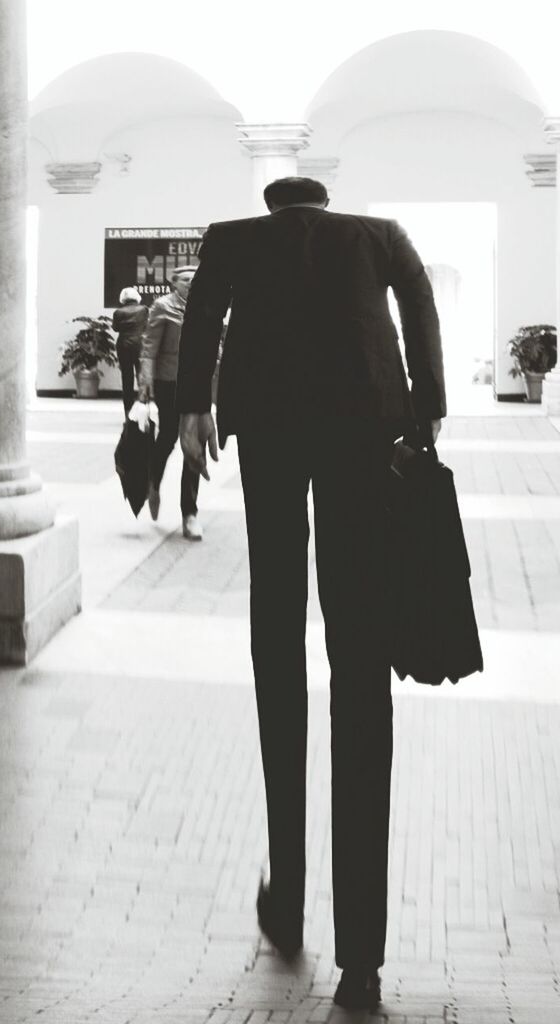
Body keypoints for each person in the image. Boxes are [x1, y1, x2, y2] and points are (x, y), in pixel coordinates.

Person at [175, 177, 445, 1012]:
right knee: (358, 665)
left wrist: (193, 407)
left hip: (271, 426)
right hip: (366, 425)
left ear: (274, 202)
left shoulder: (234, 238)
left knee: (276, 639)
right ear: (322, 204)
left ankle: (287, 903)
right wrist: (427, 405)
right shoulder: (377, 234)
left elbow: (204, 316)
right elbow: (420, 303)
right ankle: (361, 958)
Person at [139, 265, 203, 540]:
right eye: (186, 280)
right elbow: (149, 346)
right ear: (174, 283)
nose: (191, 284)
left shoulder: (205, 305)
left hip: (197, 383)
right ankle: (153, 484)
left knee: (194, 445)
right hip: (168, 383)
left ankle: (190, 513)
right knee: (167, 438)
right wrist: (145, 382)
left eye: (195, 280)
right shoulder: (162, 307)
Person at [112, 286, 149, 415]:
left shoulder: (118, 312)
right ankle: (143, 409)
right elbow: (147, 325)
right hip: (141, 345)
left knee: (126, 379)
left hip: (124, 346)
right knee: (142, 378)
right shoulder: (144, 309)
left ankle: (128, 411)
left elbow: (115, 328)